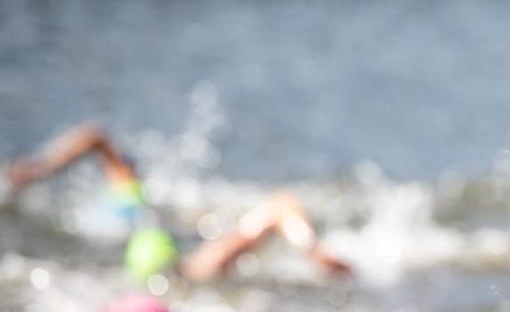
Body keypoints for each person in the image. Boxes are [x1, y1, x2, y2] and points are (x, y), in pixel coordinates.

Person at [6, 123, 351, 291]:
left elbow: (95, 136)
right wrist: (313, 250)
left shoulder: (127, 196)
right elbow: (282, 204)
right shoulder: (133, 198)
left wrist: (41, 169)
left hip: (138, 270)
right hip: (174, 268)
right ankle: (315, 253)